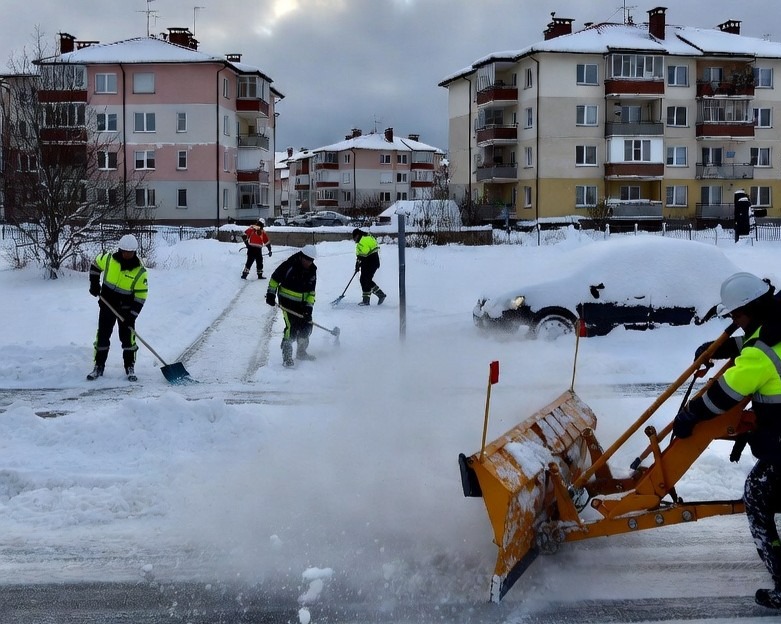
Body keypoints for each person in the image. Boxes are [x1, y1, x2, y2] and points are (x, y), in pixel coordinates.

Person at [673, 272, 781, 609]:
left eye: (735, 314)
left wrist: (691, 414)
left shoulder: (761, 353)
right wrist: (719, 349)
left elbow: (724, 394)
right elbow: (760, 342)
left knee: (758, 493)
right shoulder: (775, 325)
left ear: (751, 309)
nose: (734, 320)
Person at [87, 234, 148, 382]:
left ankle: (129, 367)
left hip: (126, 311)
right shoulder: (108, 259)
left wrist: (132, 316)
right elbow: (95, 264)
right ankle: (99, 366)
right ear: (120, 250)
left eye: (130, 252)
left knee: (128, 340)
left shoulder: (140, 271)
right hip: (107, 305)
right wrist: (94, 284)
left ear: (135, 252)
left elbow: (141, 296)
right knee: (102, 336)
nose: (127, 254)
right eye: (125, 251)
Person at [265, 245, 317, 368]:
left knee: (307, 326)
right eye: (307, 260)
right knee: (291, 327)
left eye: (311, 260)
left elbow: (311, 293)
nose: (309, 262)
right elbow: (274, 279)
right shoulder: (289, 265)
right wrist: (271, 294)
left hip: (302, 304)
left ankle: (301, 352)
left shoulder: (312, 271)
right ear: (301, 257)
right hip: (287, 302)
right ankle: (287, 356)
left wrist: (308, 309)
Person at [352, 228, 386, 306]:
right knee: (364, 280)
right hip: (367, 263)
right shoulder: (361, 241)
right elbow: (359, 255)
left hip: (371, 262)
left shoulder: (364, 240)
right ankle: (366, 299)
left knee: (366, 279)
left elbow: (364, 253)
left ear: (357, 235)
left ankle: (379, 295)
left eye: (354, 238)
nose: (354, 240)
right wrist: (357, 264)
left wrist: (359, 263)